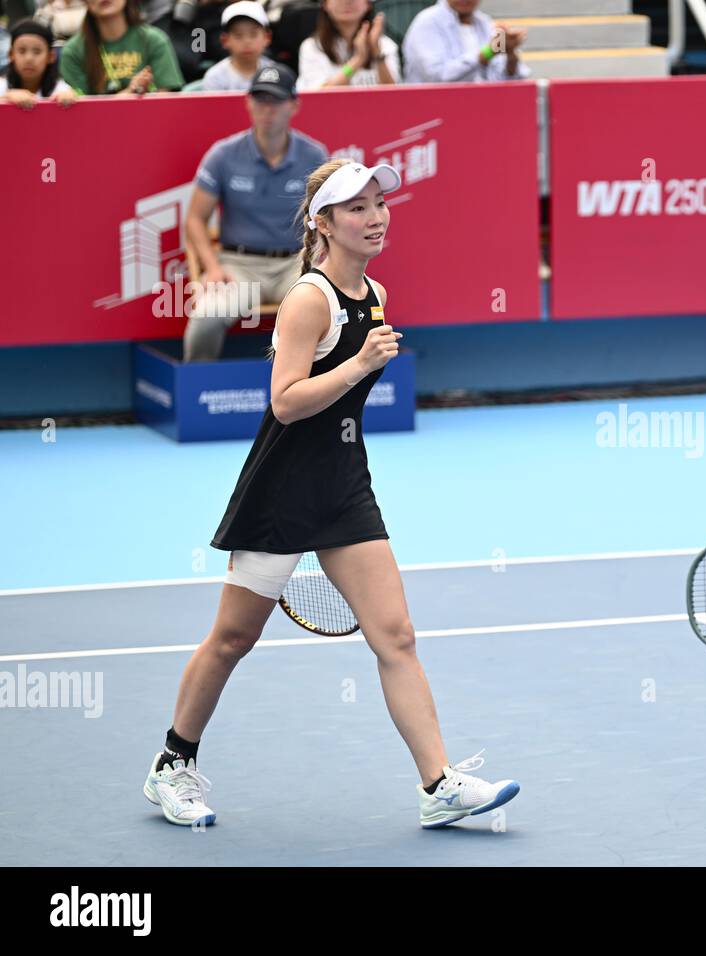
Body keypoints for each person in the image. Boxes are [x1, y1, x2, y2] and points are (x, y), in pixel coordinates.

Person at [145, 158, 521, 829]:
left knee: (397, 636)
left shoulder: (373, 292)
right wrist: (360, 364)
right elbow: (286, 404)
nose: (375, 217)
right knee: (232, 640)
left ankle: (436, 783)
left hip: (345, 485)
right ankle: (172, 765)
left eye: (380, 204)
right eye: (357, 209)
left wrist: (357, 372)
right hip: (282, 491)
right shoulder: (307, 300)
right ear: (323, 223)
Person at [184, 64, 327, 362]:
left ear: (294, 105)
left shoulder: (315, 156)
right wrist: (212, 267)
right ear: (248, 103)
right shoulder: (223, 155)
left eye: (276, 100)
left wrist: (321, 262)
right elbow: (196, 219)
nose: (268, 109)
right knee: (206, 319)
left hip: (296, 264)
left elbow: (329, 219)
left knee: (331, 313)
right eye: (260, 99)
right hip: (239, 266)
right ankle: (197, 395)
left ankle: (321, 395)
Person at [58, 0, 183, 94]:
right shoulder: (73, 51)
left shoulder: (154, 40)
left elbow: (166, 101)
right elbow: (81, 113)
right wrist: (130, 91)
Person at [402, 0, 529, 85]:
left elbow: (505, 79)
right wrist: (487, 53)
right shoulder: (427, 22)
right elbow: (438, 77)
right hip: (432, 113)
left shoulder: (485, 22)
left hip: (479, 110)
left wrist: (510, 54)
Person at [297, 0, 399, 89]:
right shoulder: (313, 47)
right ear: (325, 4)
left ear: (368, 3)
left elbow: (394, 96)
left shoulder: (385, 44)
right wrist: (357, 60)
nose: (347, 2)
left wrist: (377, 53)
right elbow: (318, 98)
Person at [199, 0, 276, 92]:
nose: (247, 41)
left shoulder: (276, 74)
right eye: (238, 35)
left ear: (267, 37)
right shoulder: (215, 77)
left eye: (253, 34)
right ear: (225, 40)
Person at [2, 19, 78, 106]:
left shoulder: (61, 90)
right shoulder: (2, 88)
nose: (29, 59)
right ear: (11, 55)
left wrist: (69, 100)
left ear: (51, 56)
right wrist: (5, 99)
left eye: (37, 52)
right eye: (22, 51)